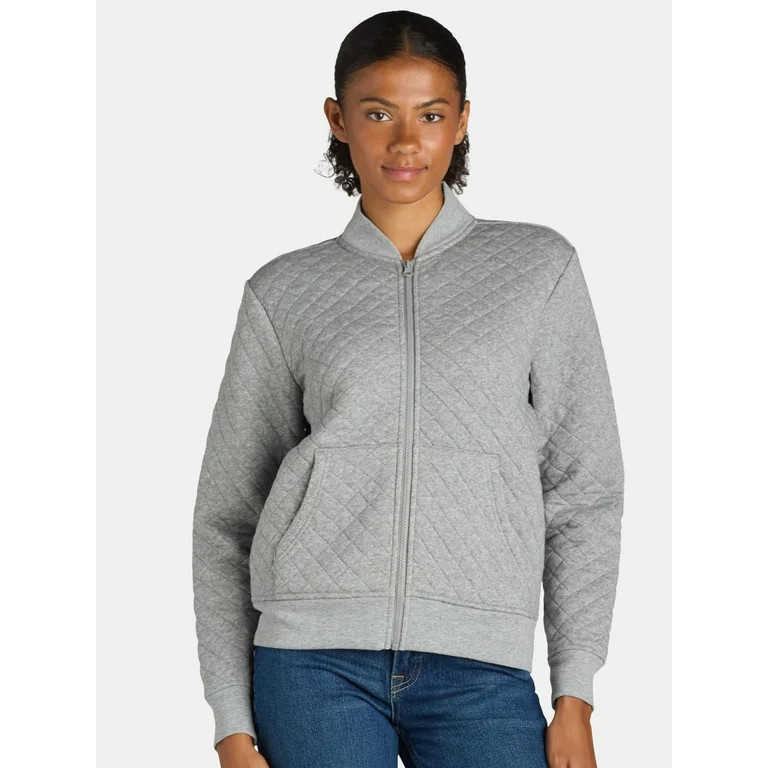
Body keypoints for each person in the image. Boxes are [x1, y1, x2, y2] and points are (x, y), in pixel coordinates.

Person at [192, 10, 624, 768]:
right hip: (311, 665)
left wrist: (574, 694)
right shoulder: (284, 291)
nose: (404, 142)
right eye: (377, 113)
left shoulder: (538, 269)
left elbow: (583, 491)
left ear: (462, 121)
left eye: (429, 114)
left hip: (482, 667)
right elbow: (228, 516)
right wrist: (230, 721)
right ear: (338, 120)